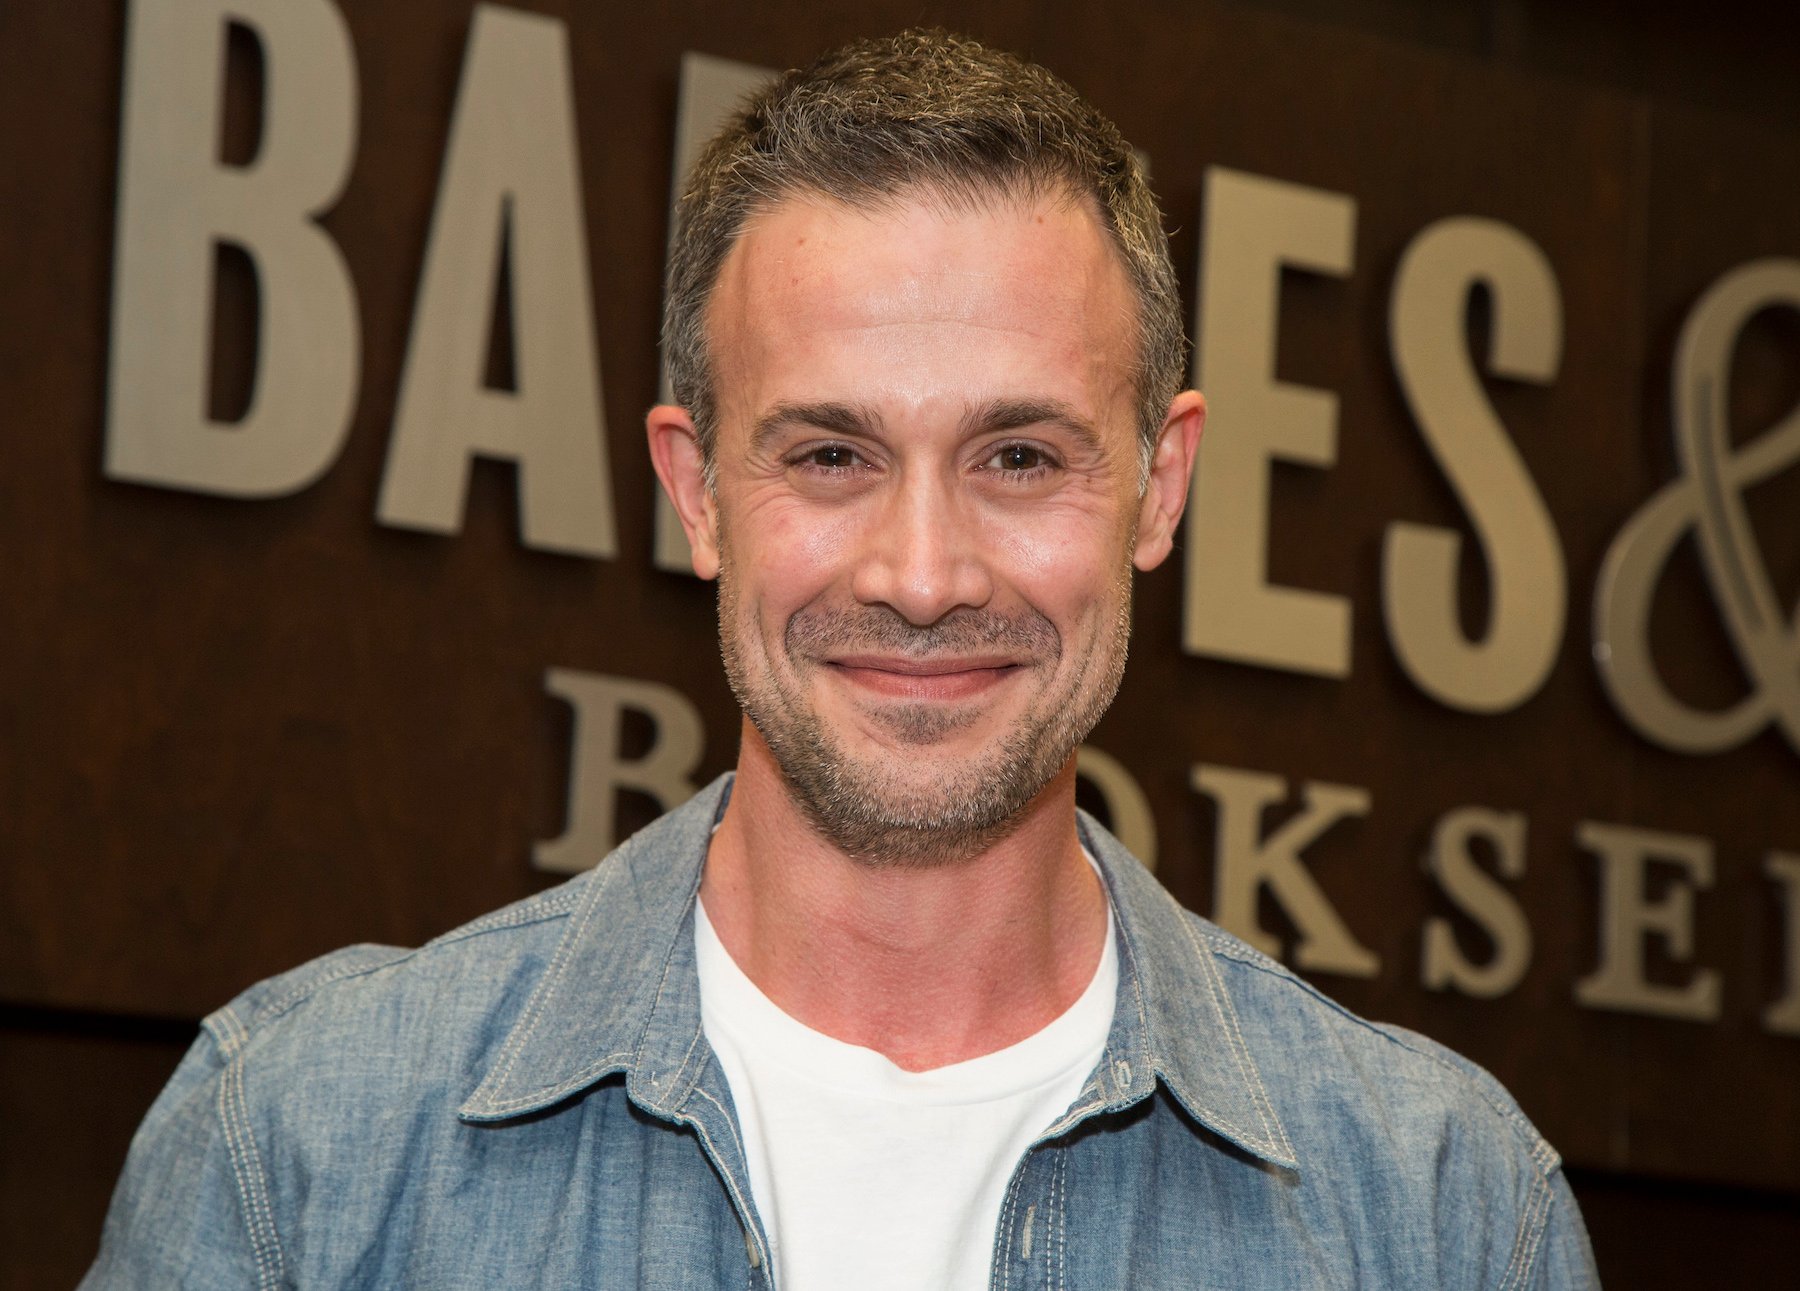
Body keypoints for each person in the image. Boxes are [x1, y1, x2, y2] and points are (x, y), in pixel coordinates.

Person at [84, 30, 1600, 1289]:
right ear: (695, 493)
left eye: (1018, 454)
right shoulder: (300, 1155)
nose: (923, 576)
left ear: (1160, 482)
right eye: (829, 453)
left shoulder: (1443, 1213)